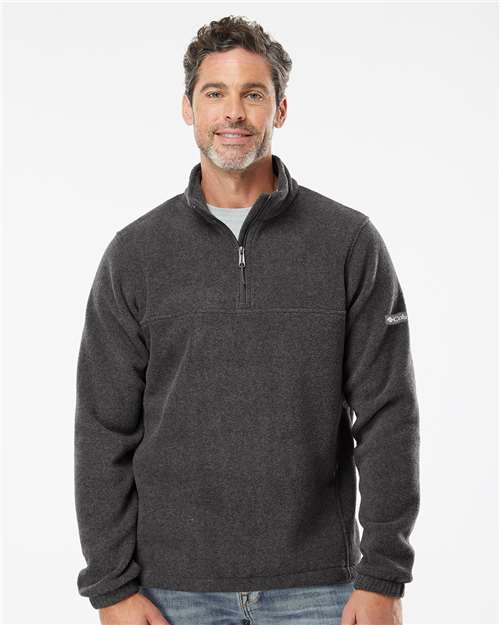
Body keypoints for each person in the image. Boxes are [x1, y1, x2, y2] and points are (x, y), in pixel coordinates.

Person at [74, 15, 420, 625]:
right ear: (188, 107)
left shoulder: (347, 242)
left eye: (252, 94)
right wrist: (111, 587)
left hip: (322, 589)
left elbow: (388, 414)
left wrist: (384, 577)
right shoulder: (135, 255)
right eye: (215, 93)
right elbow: (103, 430)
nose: (233, 112)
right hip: (169, 591)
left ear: (279, 109)